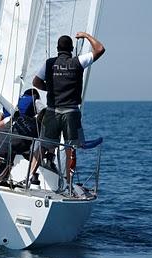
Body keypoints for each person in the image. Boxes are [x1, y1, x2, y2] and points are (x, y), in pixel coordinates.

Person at [31, 32, 105, 191]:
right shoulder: (78, 61)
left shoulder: (49, 63)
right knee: (70, 149)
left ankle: (30, 175)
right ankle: (68, 184)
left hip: (52, 112)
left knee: (44, 145)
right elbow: (100, 49)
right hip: (71, 113)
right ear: (71, 49)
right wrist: (86, 35)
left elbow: (35, 82)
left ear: (57, 49)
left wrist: (49, 88)